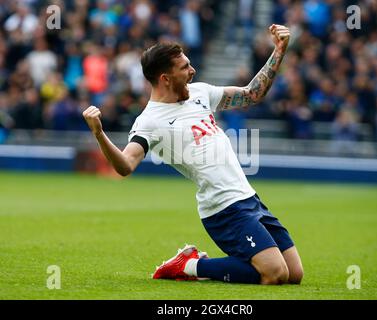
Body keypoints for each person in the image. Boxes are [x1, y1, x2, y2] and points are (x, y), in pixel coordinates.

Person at [82, 24, 304, 285]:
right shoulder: (150, 122)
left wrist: (278, 50)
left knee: (294, 274)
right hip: (223, 208)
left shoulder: (199, 92)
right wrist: (99, 133)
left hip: (248, 198)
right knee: (274, 274)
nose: (192, 70)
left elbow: (251, 94)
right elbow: (125, 165)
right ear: (165, 78)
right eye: (185, 67)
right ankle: (189, 265)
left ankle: (203, 264)